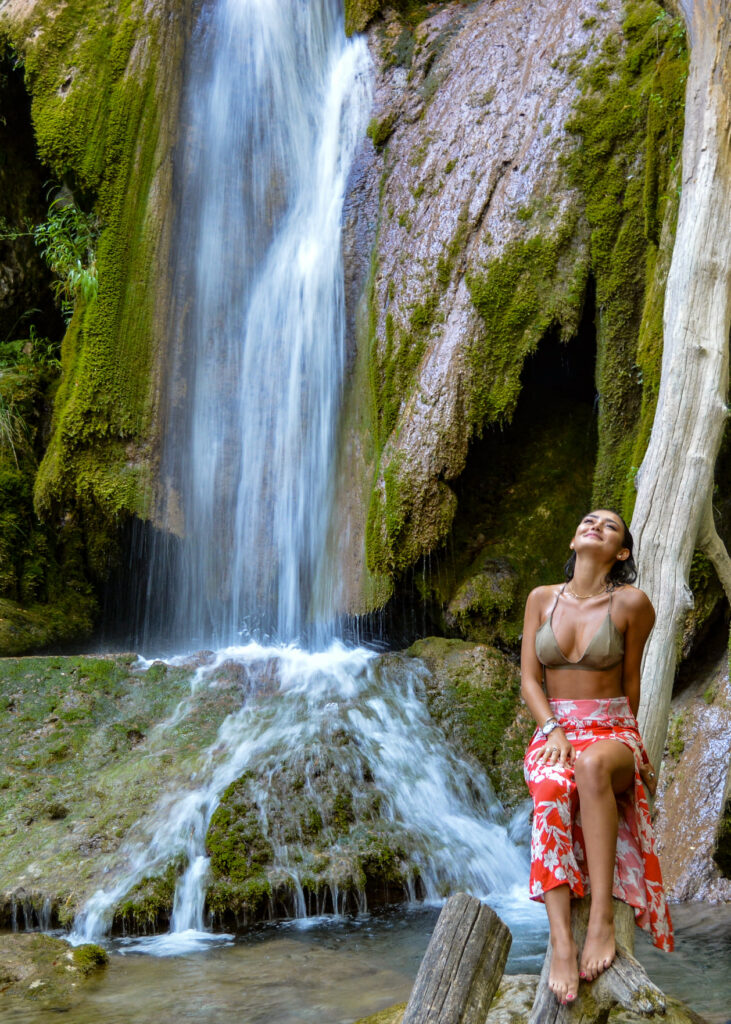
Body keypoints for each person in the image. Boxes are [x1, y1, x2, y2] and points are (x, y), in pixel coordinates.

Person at [521, 509, 673, 1006]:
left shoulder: (632, 603)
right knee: (549, 789)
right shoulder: (541, 599)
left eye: (609, 526)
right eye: (587, 520)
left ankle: (602, 918)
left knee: (590, 767)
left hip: (611, 730)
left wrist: (628, 751)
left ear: (621, 552)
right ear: (573, 536)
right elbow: (529, 680)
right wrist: (552, 729)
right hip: (555, 730)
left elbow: (631, 687)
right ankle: (562, 940)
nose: (594, 526)